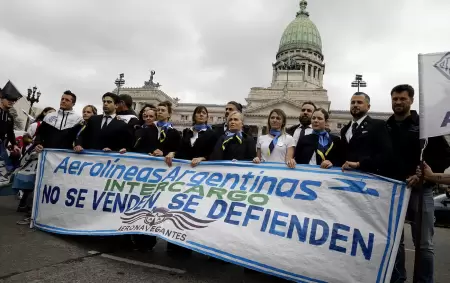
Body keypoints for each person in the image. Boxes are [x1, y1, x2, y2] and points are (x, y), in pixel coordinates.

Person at [387, 84, 450, 283]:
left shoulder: (426, 125)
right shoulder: (385, 126)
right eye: (395, 99)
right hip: (393, 192)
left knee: (423, 244)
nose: (398, 102)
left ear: (411, 100)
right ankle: (398, 279)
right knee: (395, 243)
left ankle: (424, 281)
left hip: (420, 191)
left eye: (402, 99)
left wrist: (425, 173)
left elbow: (445, 156)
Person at [340, 92, 393, 176]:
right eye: (352, 102)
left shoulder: (378, 125)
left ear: (368, 107)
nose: (355, 105)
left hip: (368, 177)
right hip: (347, 177)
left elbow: (385, 154)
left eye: (359, 102)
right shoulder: (344, 130)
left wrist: (359, 164)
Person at [152, 101, 181, 167]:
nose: (159, 112)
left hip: (163, 167)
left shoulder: (174, 133)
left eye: (163, 110)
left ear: (169, 114)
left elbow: (178, 151)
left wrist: (164, 153)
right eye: (158, 110)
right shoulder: (148, 128)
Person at [0, 81, 22, 166]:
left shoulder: (10, 117)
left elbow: (10, 133)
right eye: (9, 99)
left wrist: (14, 145)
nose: (12, 102)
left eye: (14, 100)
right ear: (2, 98)